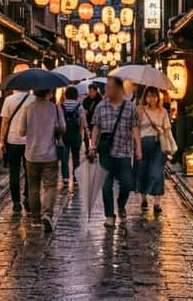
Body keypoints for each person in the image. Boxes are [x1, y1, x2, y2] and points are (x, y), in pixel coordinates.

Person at [88, 80, 138, 228]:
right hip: (105, 152)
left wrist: (138, 147)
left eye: (110, 88)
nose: (107, 90)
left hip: (124, 151)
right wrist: (92, 146)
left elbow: (135, 127)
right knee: (106, 185)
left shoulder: (130, 107)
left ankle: (121, 204)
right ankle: (109, 216)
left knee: (127, 183)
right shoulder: (100, 106)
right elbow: (96, 126)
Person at [15, 87, 64, 233]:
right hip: (50, 154)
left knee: (33, 186)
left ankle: (36, 218)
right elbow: (63, 128)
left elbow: (22, 132)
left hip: (32, 153)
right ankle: (47, 214)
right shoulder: (54, 108)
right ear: (48, 92)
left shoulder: (27, 108)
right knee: (50, 185)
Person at [133, 86, 173, 215]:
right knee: (143, 171)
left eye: (154, 95)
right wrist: (136, 145)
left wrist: (169, 144)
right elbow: (135, 128)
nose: (152, 98)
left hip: (158, 144)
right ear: (145, 97)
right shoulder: (140, 110)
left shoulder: (163, 112)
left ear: (158, 97)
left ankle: (157, 203)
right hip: (143, 144)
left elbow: (167, 129)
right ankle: (144, 198)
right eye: (149, 95)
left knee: (157, 173)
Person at [0, 89, 33, 212]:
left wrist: (1, 140)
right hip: (29, 140)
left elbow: (5, 121)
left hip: (13, 140)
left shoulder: (9, 100)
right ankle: (28, 197)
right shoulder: (33, 99)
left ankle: (16, 202)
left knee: (14, 171)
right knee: (29, 171)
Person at [57, 87, 86, 191]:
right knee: (76, 156)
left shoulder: (61, 106)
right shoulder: (79, 106)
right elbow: (83, 121)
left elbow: (59, 121)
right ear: (76, 95)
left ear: (66, 95)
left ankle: (65, 178)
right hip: (76, 134)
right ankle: (75, 178)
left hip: (64, 133)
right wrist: (82, 132)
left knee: (65, 156)